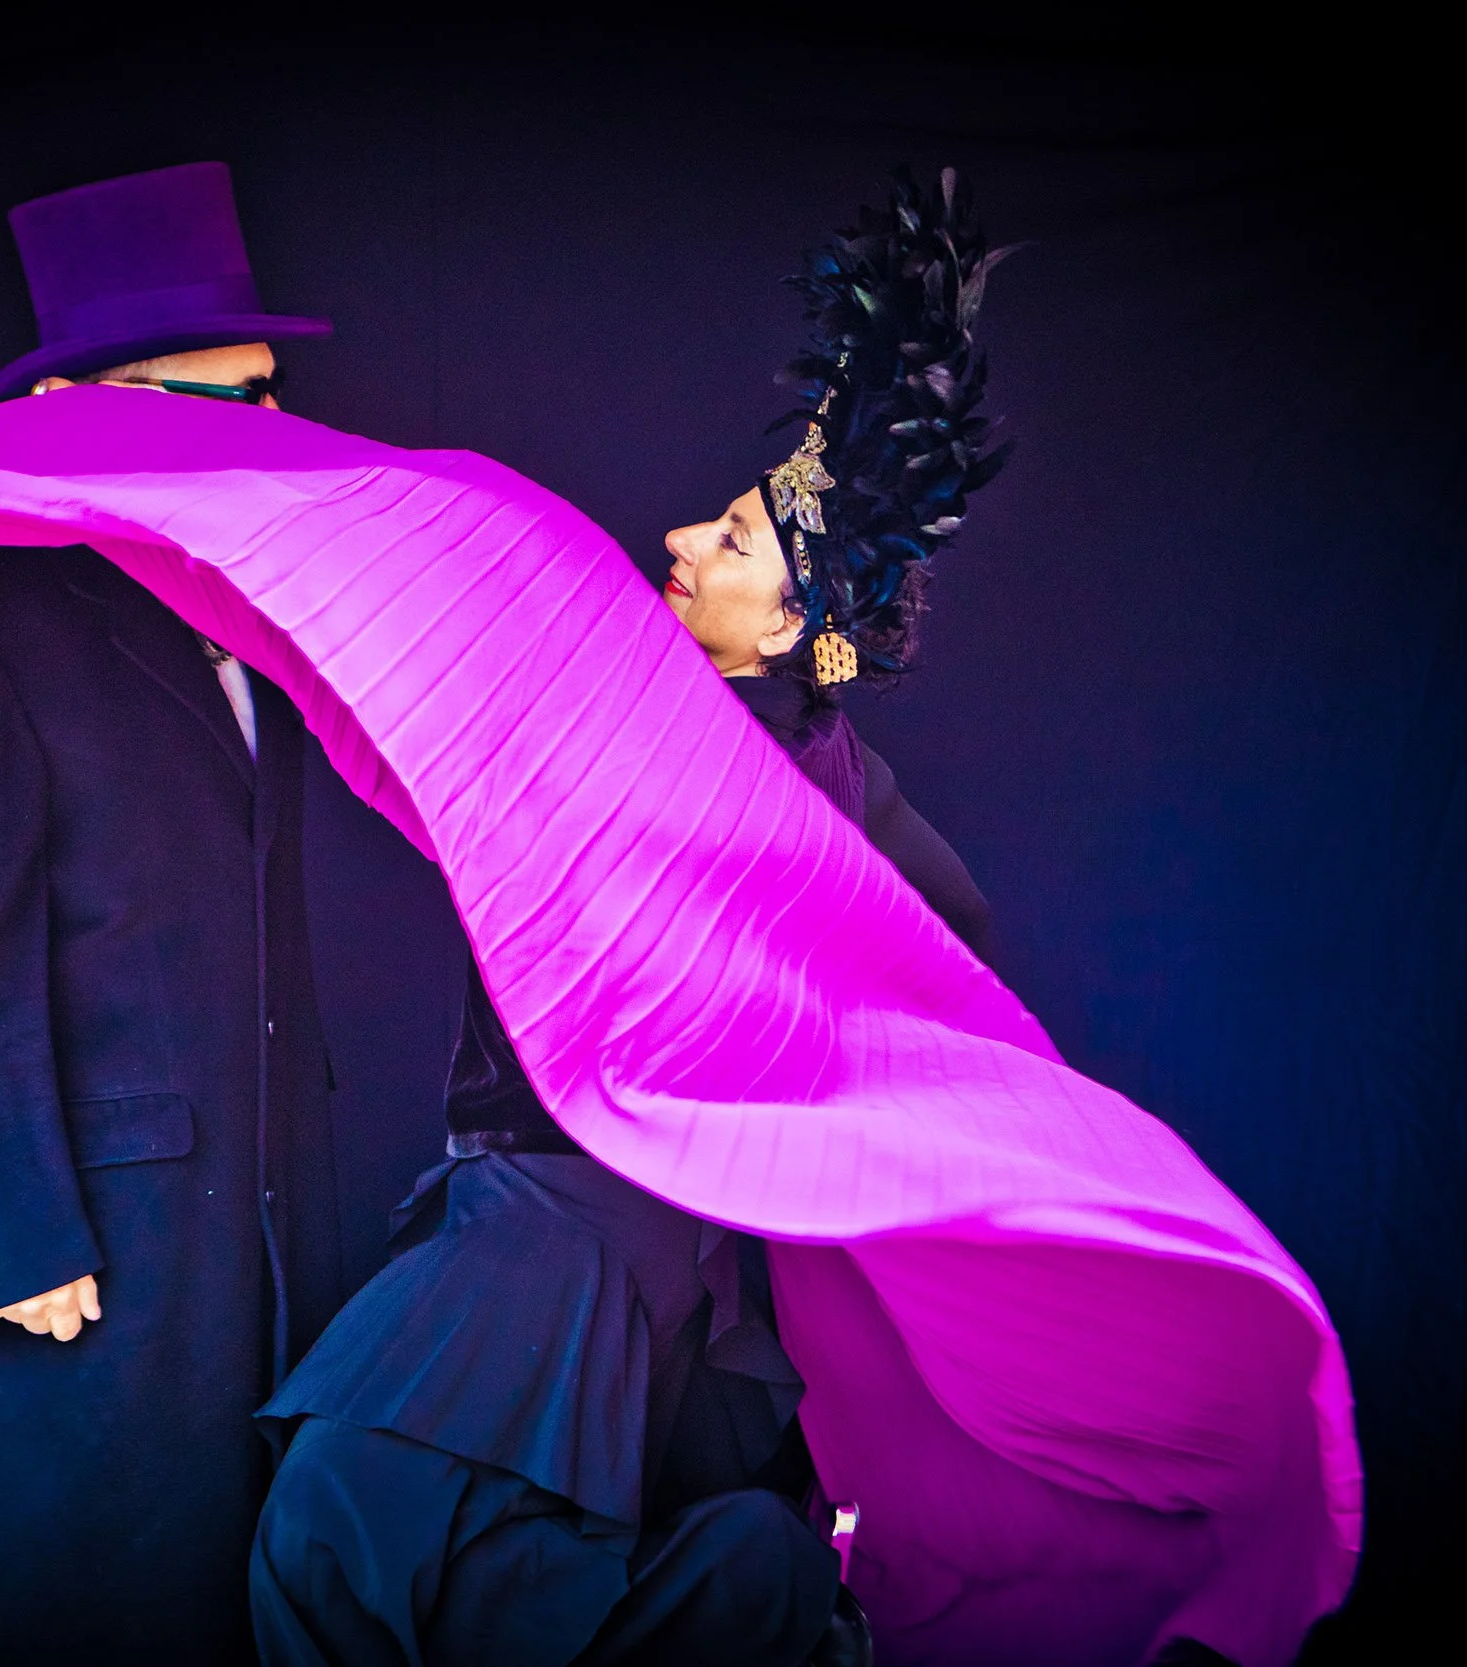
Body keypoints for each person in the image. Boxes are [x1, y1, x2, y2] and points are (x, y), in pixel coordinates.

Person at [247, 172, 1006, 1667]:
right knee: (452, 1571)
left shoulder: (763, 771)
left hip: (570, 1225)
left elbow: (938, 954)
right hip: (569, 1223)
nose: (678, 538)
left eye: (728, 542)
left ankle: (772, 1597)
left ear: (792, 625)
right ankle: (765, 1588)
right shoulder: (763, 748)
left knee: (334, 1537)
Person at [0, 161, 344, 1663]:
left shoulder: (264, 603)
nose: (267, 432)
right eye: (222, 399)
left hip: (263, 1246)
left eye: (268, 395)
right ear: (89, 406)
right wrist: (14, 1248)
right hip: (88, 1263)